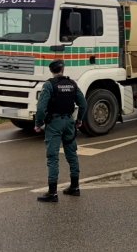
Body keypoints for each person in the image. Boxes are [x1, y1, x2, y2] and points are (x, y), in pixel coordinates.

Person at [34, 59, 87, 203]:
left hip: (54, 124)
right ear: (63, 69)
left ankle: (52, 193)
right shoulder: (72, 84)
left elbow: (40, 108)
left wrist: (38, 124)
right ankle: (75, 187)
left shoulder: (49, 85)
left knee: (53, 157)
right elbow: (83, 104)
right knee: (72, 155)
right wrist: (79, 120)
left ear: (52, 71)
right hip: (69, 123)